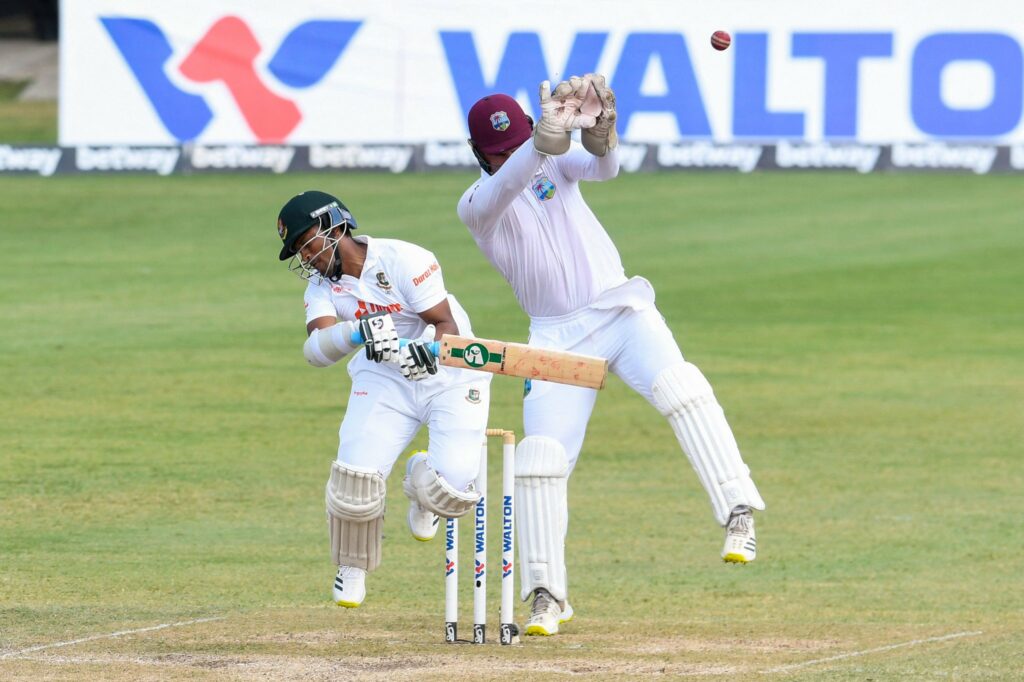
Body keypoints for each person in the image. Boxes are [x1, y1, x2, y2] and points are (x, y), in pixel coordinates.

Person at [457, 76, 766, 636]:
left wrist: (602, 132)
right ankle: (548, 594)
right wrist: (538, 142)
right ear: (481, 156)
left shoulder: (554, 162)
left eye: (517, 141)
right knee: (539, 461)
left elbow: (601, 167)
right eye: (496, 152)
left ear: (528, 129)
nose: (509, 156)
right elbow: (510, 181)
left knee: (682, 388)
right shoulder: (477, 206)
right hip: (554, 340)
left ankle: (738, 511)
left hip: (620, 311)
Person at [276, 190, 492, 608]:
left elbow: (445, 324)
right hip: (383, 374)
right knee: (354, 479)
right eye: (298, 251)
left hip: (450, 369)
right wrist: (358, 332)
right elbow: (316, 349)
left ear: (336, 226)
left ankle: (421, 481)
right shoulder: (323, 288)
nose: (307, 258)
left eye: (308, 244)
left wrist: (425, 352)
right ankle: (352, 566)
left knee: (453, 490)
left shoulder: (404, 259)